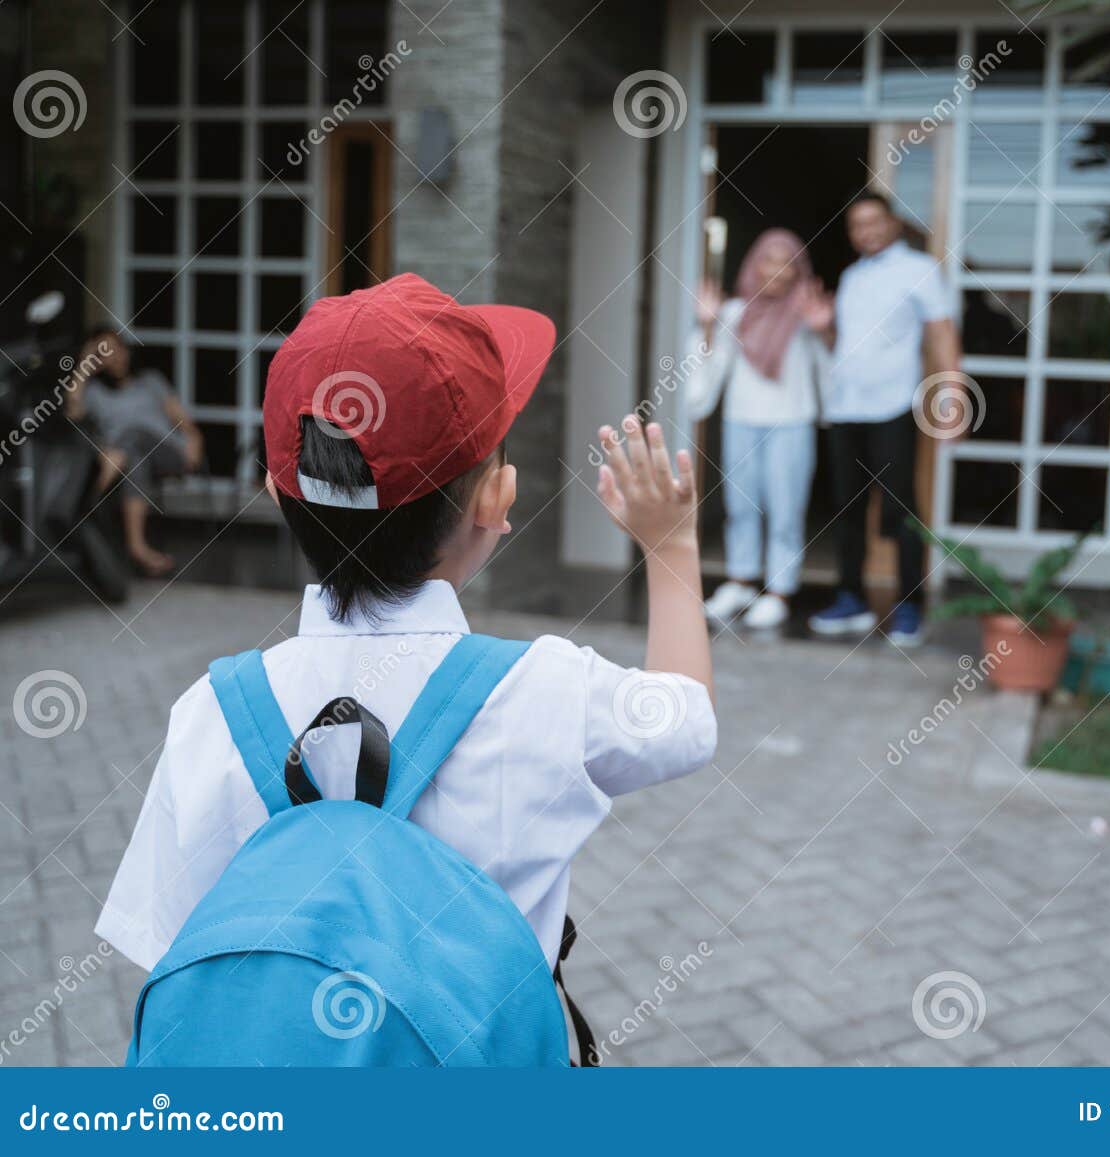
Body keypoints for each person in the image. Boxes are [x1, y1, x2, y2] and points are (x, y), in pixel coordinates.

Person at [95, 274, 717, 995]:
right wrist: (671, 550)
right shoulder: (547, 690)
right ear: (498, 497)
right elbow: (688, 719)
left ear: (274, 487)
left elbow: (171, 950)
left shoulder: (211, 713)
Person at [807, 192, 962, 647]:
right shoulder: (852, 276)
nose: (867, 232)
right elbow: (844, 346)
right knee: (847, 509)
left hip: (893, 407)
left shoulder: (921, 270)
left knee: (900, 509)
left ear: (894, 222)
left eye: (874, 221)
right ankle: (851, 599)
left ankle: (910, 606)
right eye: (857, 225)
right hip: (845, 408)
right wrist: (823, 328)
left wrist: (952, 400)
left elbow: (942, 336)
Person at [689, 228, 832, 630]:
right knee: (740, 507)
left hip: (791, 422)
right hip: (742, 420)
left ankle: (779, 591)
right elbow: (709, 367)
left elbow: (831, 370)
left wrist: (823, 329)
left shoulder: (805, 315)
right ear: (755, 264)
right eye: (770, 260)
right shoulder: (735, 312)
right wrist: (706, 325)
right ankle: (740, 581)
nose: (778, 271)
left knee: (786, 510)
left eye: (788, 262)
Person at [66, 327, 204, 576]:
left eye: (118, 348)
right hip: (129, 461)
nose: (116, 355)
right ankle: (138, 548)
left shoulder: (151, 380)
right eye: (105, 351)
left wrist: (194, 439)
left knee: (133, 437)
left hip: (169, 452)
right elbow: (73, 413)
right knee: (134, 457)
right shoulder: (95, 393)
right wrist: (82, 367)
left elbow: (183, 421)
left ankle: (85, 501)